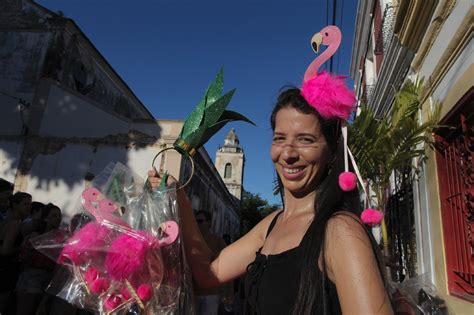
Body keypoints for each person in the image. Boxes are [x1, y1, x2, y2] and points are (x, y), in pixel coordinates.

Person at [148, 87, 393, 314]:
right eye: (279, 138)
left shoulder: (341, 231)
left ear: (331, 151)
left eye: (306, 139)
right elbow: (208, 274)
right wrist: (178, 197)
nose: (288, 153)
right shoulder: (271, 225)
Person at [193, 210, 231, 315]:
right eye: (195, 221)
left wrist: (229, 292)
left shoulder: (218, 242)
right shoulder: (192, 241)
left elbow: (228, 265)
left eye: (200, 221)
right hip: (193, 292)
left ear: (209, 223)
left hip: (211, 293)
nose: (197, 224)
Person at [0, 192, 32, 313]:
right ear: (15, 205)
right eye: (25, 204)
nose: (29, 207)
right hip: (5, 270)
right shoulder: (14, 224)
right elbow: (5, 250)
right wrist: (22, 246)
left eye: (30, 204)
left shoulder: (7, 220)